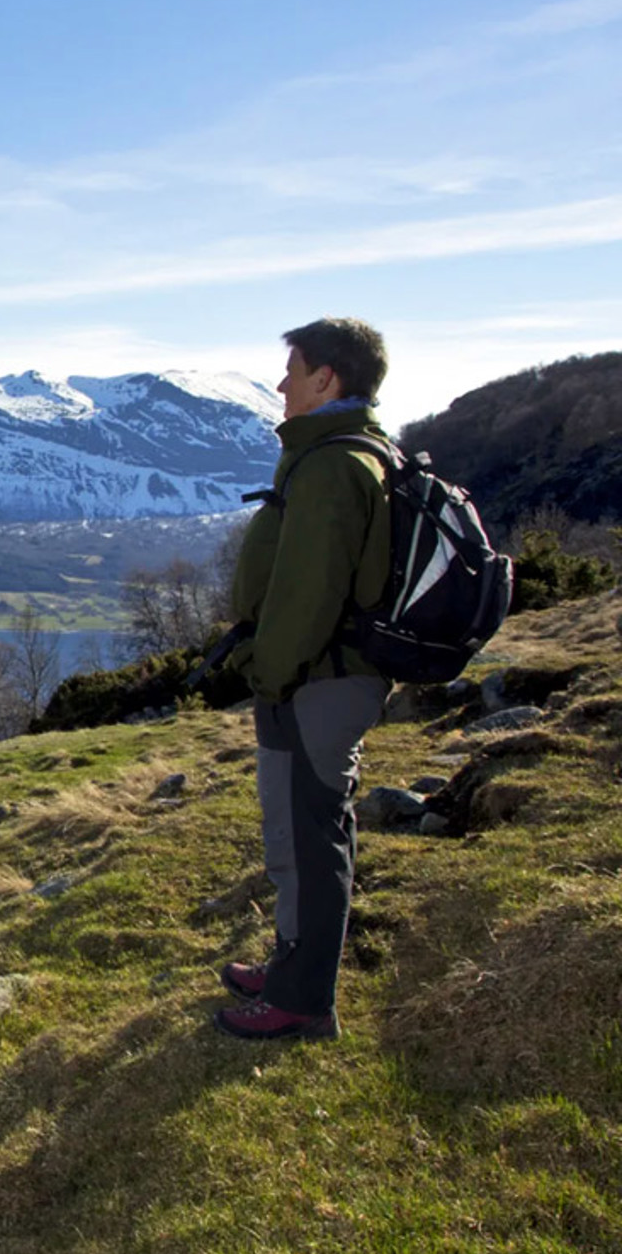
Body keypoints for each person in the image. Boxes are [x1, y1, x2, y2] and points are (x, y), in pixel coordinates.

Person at [215, 317, 392, 1041]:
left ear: (329, 380)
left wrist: (268, 670)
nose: (282, 384)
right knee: (294, 830)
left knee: (315, 840)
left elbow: (308, 592)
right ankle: (292, 965)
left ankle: (304, 1002)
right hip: (309, 680)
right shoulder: (330, 456)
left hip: (315, 682)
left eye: (293, 370)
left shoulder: (332, 466)